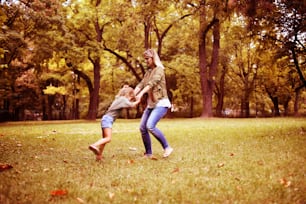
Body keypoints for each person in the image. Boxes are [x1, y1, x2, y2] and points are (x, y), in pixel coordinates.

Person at [134, 49, 173, 158]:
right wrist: (132, 94)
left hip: (161, 103)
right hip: (151, 104)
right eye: (145, 59)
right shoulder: (148, 72)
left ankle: (167, 148)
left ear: (153, 58)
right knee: (143, 128)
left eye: (147, 59)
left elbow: (152, 83)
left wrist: (140, 94)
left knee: (150, 126)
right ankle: (148, 153)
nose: (146, 61)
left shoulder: (159, 70)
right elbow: (141, 84)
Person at [89, 86, 140, 161]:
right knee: (108, 138)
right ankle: (94, 145)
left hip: (105, 119)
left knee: (104, 140)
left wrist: (124, 89)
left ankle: (98, 157)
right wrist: (138, 100)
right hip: (108, 120)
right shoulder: (123, 99)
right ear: (127, 94)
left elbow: (126, 101)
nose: (130, 100)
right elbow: (132, 105)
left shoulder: (118, 98)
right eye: (131, 97)